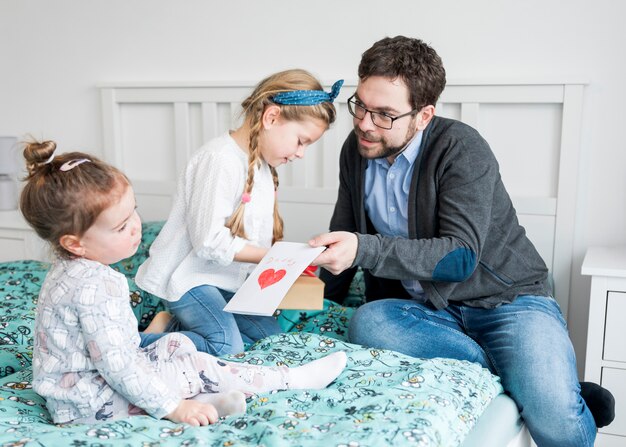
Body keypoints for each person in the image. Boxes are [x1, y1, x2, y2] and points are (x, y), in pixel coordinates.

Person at [309, 36, 614, 446]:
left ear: (423, 115)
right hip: (425, 310)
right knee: (369, 321)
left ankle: (548, 386)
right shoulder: (358, 149)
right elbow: (346, 233)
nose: (365, 123)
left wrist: (364, 249)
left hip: (506, 301)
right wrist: (313, 301)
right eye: (360, 105)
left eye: (384, 114)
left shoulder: (461, 148)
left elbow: (459, 257)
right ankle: (517, 373)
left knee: (557, 422)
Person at [21, 140, 347, 425]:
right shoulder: (97, 286)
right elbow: (118, 367)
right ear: (74, 243)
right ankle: (290, 379)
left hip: (73, 396)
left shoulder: (66, 271)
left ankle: (208, 404)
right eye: (121, 227)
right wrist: (172, 407)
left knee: (178, 345)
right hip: (93, 403)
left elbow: (113, 350)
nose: (136, 227)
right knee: (199, 364)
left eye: (135, 212)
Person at [136, 69, 342, 355]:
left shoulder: (262, 167)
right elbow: (209, 241)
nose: (300, 154)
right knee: (225, 346)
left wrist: (293, 263)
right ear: (271, 118)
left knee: (272, 342)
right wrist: (276, 256)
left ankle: (174, 327)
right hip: (191, 280)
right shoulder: (219, 160)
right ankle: (135, 344)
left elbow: (250, 242)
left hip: (229, 282)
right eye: (301, 141)